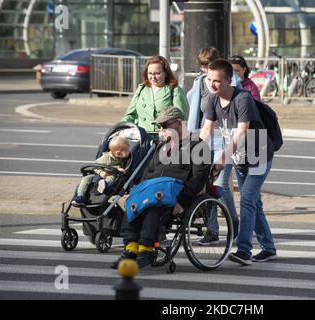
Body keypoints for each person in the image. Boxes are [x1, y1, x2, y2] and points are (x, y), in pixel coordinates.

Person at [111, 107, 211, 269]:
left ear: (179, 123)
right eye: (160, 126)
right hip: (152, 189)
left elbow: (198, 178)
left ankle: (145, 250)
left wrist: (182, 202)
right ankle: (130, 250)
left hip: (175, 192)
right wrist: (139, 191)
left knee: (153, 208)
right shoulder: (162, 147)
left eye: (165, 125)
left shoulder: (198, 146)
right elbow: (147, 172)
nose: (161, 129)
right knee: (133, 205)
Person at [200, 58, 277, 265]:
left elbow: (242, 132)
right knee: (254, 204)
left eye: (217, 81)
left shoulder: (243, 99)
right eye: (209, 79)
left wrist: (221, 158)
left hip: (258, 154)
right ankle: (269, 248)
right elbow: (207, 129)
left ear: (228, 81)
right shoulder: (211, 99)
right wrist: (196, 153)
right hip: (239, 158)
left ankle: (244, 249)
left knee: (247, 200)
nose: (211, 84)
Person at [186, 47, 240, 246]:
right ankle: (213, 230)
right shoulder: (199, 83)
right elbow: (194, 111)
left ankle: (234, 224)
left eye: (208, 66)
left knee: (219, 186)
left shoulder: (232, 83)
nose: (204, 71)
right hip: (206, 138)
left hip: (227, 141)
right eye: (202, 66)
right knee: (206, 186)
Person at [122, 56, 189, 132]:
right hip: (142, 138)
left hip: (165, 139)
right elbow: (130, 115)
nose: (153, 77)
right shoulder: (141, 89)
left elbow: (181, 118)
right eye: (150, 73)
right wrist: (121, 129)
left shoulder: (175, 90)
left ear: (166, 73)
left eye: (157, 73)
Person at [71, 136, 131, 206]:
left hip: (111, 175)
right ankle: (80, 196)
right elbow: (95, 166)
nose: (129, 152)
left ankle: (104, 186)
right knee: (86, 179)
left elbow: (124, 169)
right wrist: (101, 172)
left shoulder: (123, 159)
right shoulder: (106, 158)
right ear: (118, 153)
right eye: (126, 150)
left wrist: (119, 169)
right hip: (99, 174)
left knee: (111, 178)